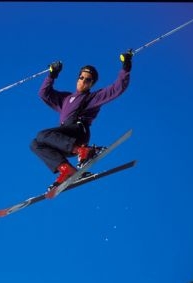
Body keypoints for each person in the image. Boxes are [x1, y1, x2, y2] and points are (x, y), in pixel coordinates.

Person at [30, 51, 133, 191]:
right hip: (65, 139)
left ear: (92, 84)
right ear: (77, 78)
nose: (83, 81)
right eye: (81, 77)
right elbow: (43, 93)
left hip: (78, 132)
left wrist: (126, 66)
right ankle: (66, 170)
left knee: (41, 135)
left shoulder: (92, 97)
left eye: (88, 80)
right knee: (35, 144)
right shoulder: (66, 98)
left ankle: (83, 151)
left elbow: (117, 88)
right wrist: (52, 75)